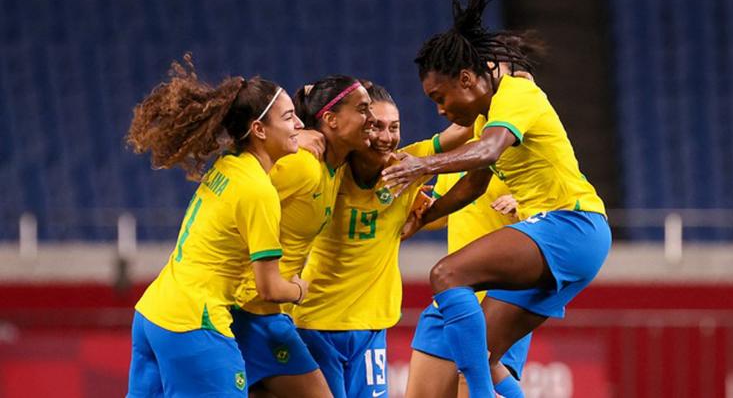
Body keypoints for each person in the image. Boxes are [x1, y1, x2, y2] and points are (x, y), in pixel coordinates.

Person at [382, 0, 611, 397]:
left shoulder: (516, 95)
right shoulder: (492, 114)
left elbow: (486, 150)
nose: (440, 110)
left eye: (440, 97)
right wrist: (427, 216)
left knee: (447, 273)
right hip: (563, 240)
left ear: (467, 78)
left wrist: (423, 165)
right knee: (482, 357)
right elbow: (475, 182)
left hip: (571, 225)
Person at [125, 54, 307, 397]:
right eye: (289, 117)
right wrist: (299, 289)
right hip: (193, 324)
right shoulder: (259, 192)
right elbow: (269, 288)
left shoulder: (229, 164)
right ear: (258, 129)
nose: (299, 124)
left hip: (153, 316)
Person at [291, 81, 473, 398]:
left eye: (394, 127)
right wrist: (303, 133)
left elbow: (468, 129)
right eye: (375, 126)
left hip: (372, 329)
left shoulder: (410, 165)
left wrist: (499, 90)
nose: (386, 137)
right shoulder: (328, 169)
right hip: (316, 324)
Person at [230, 75, 375, 397]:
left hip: (267, 311)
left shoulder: (336, 167)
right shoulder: (303, 166)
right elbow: (240, 189)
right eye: (363, 109)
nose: (372, 119)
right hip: (251, 310)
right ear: (331, 120)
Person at [407, 115, 531, 398]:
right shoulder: (461, 156)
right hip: (450, 300)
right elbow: (439, 215)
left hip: (499, 306)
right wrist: (418, 207)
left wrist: (523, 205)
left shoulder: (527, 158)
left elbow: (561, 214)